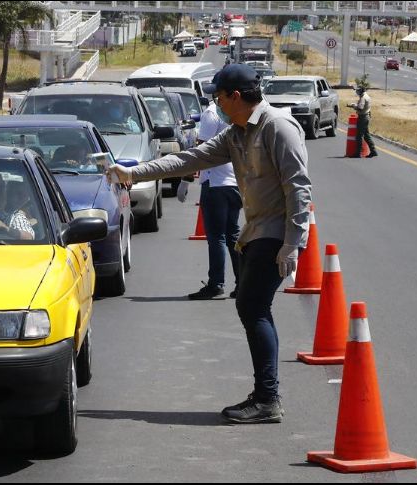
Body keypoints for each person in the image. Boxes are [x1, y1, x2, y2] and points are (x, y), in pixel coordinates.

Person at [106, 64, 312, 424]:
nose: (215, 104)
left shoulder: (278, 127)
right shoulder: (236, 134)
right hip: (257, 231)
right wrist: (134, 172)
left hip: (277, 234)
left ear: (235, 96)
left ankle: (267, 398)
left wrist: (293, 244)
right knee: (253, 308)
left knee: (252, 306)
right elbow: (189, 159)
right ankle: (266, 395)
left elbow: (298, 187)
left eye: (218, 96)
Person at [180, 98, 242, 301]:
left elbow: (202, 151)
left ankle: (216, 284)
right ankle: (242, 283)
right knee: (233, 233)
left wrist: (186, 178)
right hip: (236, 182)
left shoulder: (212, 113)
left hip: (216, 183)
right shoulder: (238, 113)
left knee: (217, 237)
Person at [347, 85, 378, 158]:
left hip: (362, 117)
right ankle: (373, 151)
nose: (357, 92)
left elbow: (360, 108)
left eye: (358, 90)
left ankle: (358, 153)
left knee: (359, 136)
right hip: (366, 116)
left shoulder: (363, 98)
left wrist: (353, 106)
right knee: (366, 136)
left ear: (361, 91)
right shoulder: (367, 96)